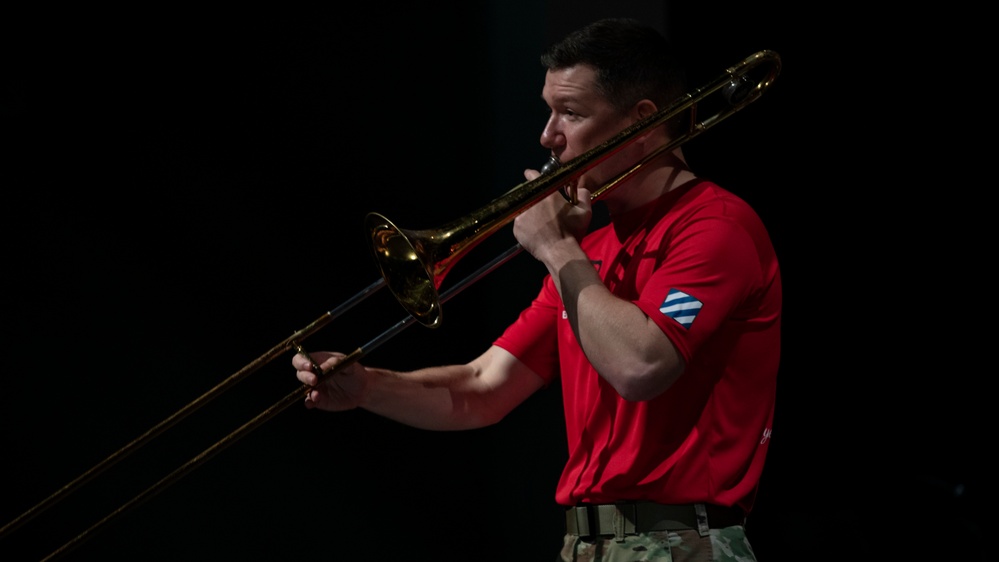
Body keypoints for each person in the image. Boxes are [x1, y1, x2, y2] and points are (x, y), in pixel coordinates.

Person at [293, 17, 780, 562]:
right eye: (549, 111)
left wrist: (555, 250)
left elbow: (640, 367)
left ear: (644, 120)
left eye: (570, 113)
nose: (547, 136)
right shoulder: (588, 253)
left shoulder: (715, 227)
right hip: (584, 545)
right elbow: (483, 386)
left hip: (683, 543)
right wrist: (366, 387)